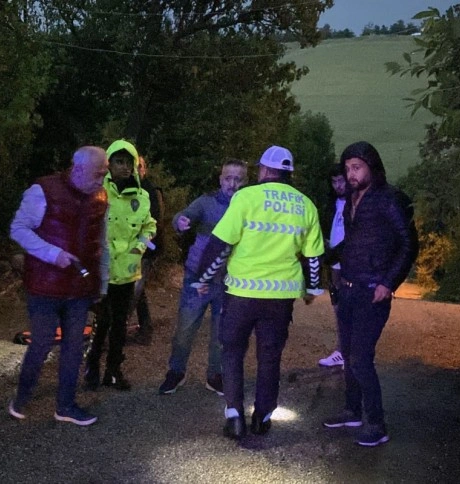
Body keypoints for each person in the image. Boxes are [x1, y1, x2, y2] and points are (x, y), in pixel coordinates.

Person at [194, 146, 324, 439]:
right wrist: (312, 288)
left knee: (232, 352)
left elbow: (221, 243)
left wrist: (203, 277)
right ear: (289, 174)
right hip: (280, 298)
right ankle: (263, 417)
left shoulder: (246, 197)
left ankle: (234, 416)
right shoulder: (306, 205)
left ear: (264, 170)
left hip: (241, 293)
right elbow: (313, 256)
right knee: (270, 356)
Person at [322, 141, 418, 447]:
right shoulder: (351, 199)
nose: (351, 174)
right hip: (349, 287)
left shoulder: (389, 199)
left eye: (357, 167)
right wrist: (323, 257)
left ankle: (377, 423)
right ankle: (352, 411)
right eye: (347, 168)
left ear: (371, 167)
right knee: (349, 356)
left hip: (372, 292)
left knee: (361, 358)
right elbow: (351, 242)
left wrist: (388, 283)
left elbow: (408, 244)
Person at [8, 146, 109, 426]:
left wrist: (102, 282)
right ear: (78, 169)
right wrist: (54, 254)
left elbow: (101, 242)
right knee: (41, 343)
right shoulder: (43, 191)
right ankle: (21, 397)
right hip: (45, 286)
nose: (102, 180)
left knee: (74, 347)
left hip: (79, 287)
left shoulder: (100, 197)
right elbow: (18, 229)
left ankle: (65, 405)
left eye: (104, 174)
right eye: (98, 174)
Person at [158, 159, 248, 396]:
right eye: (228, 178)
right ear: (220, 179)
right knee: (185, 329)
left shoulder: (249, 206)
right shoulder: (206, 202)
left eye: (238, 179)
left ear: (246, 181)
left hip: (230, 281)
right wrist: (180, 221)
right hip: (198, 277)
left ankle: (215, 376)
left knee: (222, 334)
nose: (232, 184)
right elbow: (183, 215)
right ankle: (176, 371)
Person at [84, 140, 156, 391]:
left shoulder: (142, 197)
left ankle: (113, 370)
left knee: (120, 324)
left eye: (129, 162)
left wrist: (140, 247)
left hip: (127, 272)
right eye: (119, 161)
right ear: (109, 164)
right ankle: (92, 366)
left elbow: (149, 226)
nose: (124, 167)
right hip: (102, 272)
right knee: (102, 321)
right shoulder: (96, 193)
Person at [127, 156, 164, 346]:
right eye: (134, 166)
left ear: (145, 169)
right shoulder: (127, 189)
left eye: (140, 166)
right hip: (130, 249)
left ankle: (115, 332)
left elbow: (153, 222)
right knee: (137, 291)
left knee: (132, 292)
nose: (136, 169)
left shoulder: (150, 191)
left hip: (146, 250)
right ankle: (145, 329)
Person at [318, 165, 348, 368]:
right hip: (334, 262)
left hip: (350, 261)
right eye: (334, 182)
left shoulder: (356, 202)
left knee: (350, 307)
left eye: (341, 181)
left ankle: (352, 353)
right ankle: (342, 351)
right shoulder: (332, 204)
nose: (338, 186)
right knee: (338, 306)